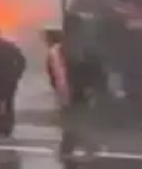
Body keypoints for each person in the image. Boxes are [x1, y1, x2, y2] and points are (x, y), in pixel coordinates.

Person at [46, 16, 107, 160]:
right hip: (79, 89)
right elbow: (95, 67)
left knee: (73, 118)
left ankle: (74, 146)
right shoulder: (83, 45)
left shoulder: (61, 48)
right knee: (76, 118)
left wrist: (57, 86)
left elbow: (54, 70)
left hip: (71, 89)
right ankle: (77, 146)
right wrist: (94, 86)